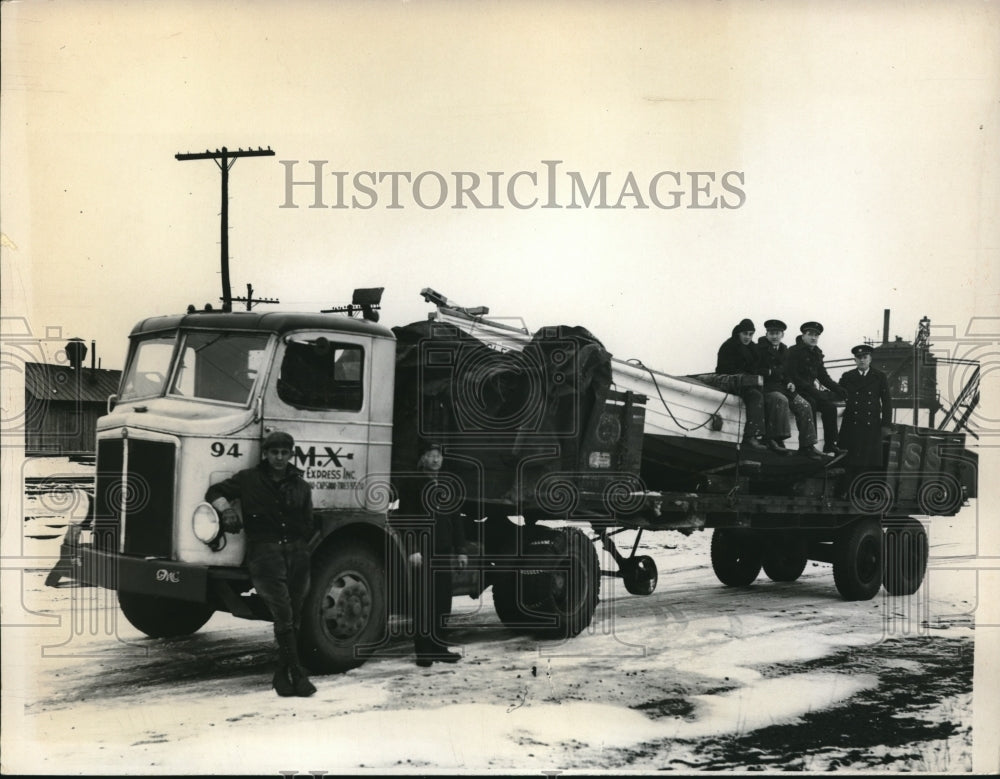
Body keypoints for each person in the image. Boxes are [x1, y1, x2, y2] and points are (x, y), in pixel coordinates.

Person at [205, 431, 317, 697]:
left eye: (284, 453)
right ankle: (297, 673)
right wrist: (227, 510)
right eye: (274, 452)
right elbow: (214, 491)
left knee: (296, 612)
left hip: (297, 554)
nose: (279, 457)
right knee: (283, 613)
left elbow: (308, 522)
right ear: (265, 454)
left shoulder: (301, 486)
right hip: (265, 555)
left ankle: (282, 674)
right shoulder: (248, 479)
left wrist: (299, 546)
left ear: (291, 455)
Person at [391, 443, 468, 667]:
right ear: (422, 459)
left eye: (438, 456)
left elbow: (455, 519)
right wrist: (413, 549)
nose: (435, 460)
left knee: (443, 602)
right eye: (430, 456)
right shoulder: (412, 484)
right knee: (424, 602)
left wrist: (461, 550)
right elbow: (406, 518)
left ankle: (440, 648)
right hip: (423, 552)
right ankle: (423, 652)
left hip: (443, 552)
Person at [756, 319, 825, 459]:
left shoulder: (784, 350)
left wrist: (789, 382)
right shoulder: (758, 350)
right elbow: (755, 369)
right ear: (766, 334)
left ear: (782, 334)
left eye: (777, 333)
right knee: (780, 400)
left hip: (783, 387)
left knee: (805, 405)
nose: (774, 336)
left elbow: (787, 372)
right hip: (767, 388)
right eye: (771, 333)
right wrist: (771, 373)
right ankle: (775, 440)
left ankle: (807, 446)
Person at [786, 321, 845, 455]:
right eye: (810, 334)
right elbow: (793, 375)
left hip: (811, 391)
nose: (813, 338)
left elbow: (823, 376)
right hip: (797, 390)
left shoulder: (817, 354)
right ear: (803, 336)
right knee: (810, 404)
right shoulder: (793, 351)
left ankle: (830, 445)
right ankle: (808, 446)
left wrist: (838, 389)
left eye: (816, 335)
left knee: (829, 408)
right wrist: (814, 391)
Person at [838, 344, 893, 470]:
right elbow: (838, 394)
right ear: (855, 360)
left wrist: (886, 425)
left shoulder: (879, 376)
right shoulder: (847, 376)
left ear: (870, 359)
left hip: (871, 426)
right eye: (859, 357)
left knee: (869, 464)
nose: (862, 360)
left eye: (865, 357)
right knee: (849, 463)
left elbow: (887, 402)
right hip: (851, 425)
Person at [715, 318, 767, 451]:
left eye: (751, 334)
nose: (748, 337)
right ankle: (750, 436)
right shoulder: (729, 346)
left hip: (747, 383)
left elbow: (757, 367)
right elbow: (723, 368)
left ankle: (766, 437)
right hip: (731, 383)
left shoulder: (753, 349)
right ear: (739, 333)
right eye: (745, 334)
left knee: (767, 395)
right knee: (755, 396)